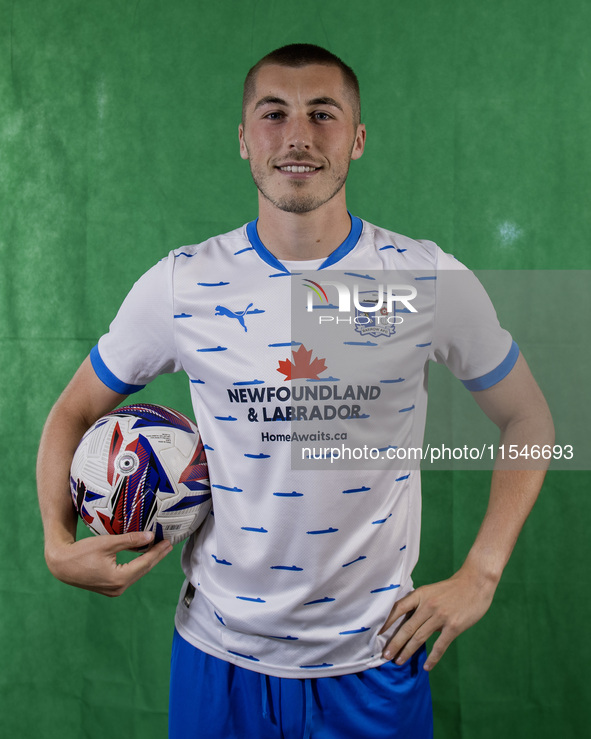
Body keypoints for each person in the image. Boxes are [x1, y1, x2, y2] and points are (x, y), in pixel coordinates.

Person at [37, 44, 554, 738]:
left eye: (323, 113)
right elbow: (72, 410)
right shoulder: (180, 283)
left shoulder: (423, 278)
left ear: (357, 138)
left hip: (374, 661)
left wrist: (481, 571)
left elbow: (528, 415)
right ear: (245, 139)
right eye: (273, 113)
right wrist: (54, 537)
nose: (299, 135)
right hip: (217, 659)